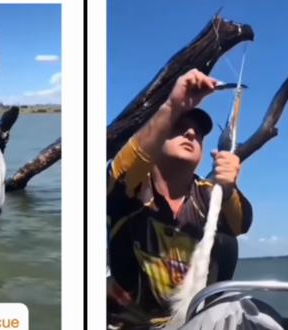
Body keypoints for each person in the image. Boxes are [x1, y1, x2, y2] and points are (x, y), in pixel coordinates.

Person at [107, 69, 253, 329]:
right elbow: (120, 172)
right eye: (179, 127)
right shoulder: (131, 189)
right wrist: (172, 106)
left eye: (198, 133)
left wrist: (228, 188)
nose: (191, 134)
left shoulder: (209, 195)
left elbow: (240, 224)